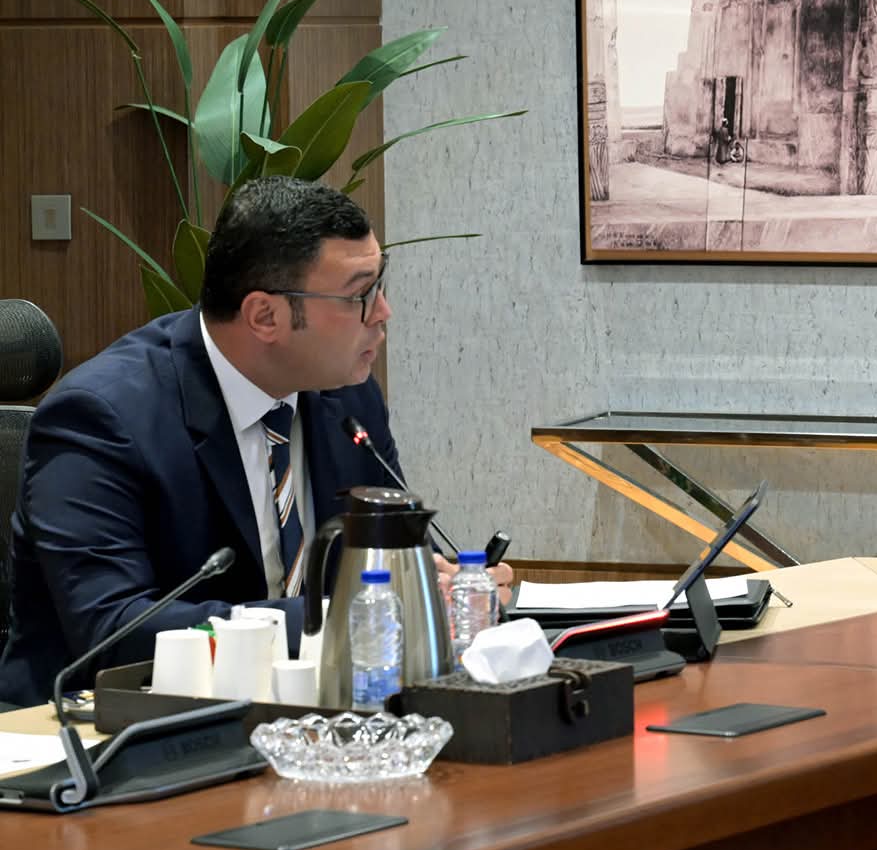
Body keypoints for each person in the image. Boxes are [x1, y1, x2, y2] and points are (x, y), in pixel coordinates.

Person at [0, 177, 513, 704]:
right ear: (265, 316)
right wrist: (334, 618)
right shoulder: (102, 417)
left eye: (380, 285)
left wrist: (445, 589)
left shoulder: (346, 398)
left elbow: (391, 560)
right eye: (359, 295)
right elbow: (113, 631)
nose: (383, 312)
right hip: (95, 732)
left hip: (304, 716)